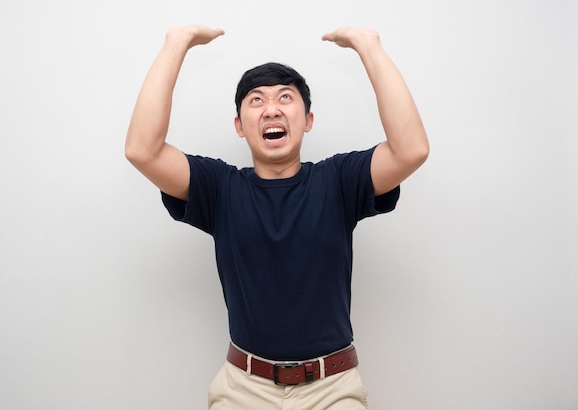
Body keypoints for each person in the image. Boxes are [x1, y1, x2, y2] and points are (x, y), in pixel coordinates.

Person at [125, 24, 429, 409]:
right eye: (256, 100)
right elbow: (142, 151)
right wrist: (176, 45)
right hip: (242, 389)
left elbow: (410, 150)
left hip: (332, 389)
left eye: (286, 97)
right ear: (240, 126)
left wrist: (369, 48)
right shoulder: (220, 188)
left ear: (307, 120)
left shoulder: (338, 181)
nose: (271, 108)